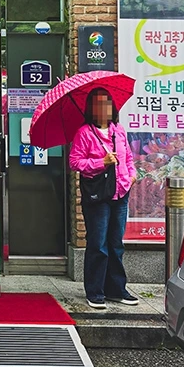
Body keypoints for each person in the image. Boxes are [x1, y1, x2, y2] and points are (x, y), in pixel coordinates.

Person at [68, 89, 139, 310]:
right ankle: (95, 291)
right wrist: (102, 162)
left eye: (107, 103)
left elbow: (128, 157)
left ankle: (116, 290)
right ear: (91, 108)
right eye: (98, 104)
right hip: (98, 196)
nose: (103, 108)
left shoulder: (119, 130)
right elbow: (75, 162)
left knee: (116, 244)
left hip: (121, 193)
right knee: (98, 244)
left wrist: (132, 176)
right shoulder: (84, 133)